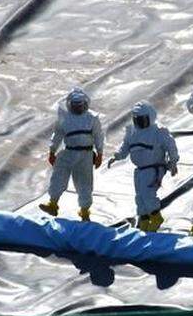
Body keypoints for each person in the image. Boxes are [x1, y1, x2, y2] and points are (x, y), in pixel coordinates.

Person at [107, 102, 179, 232]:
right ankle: (144, 220)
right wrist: (116, 156)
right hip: (140, 170)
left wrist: (173, 162)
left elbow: (171, 146)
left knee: (147, 194)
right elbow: (125, 148)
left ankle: (156, 217)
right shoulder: (132, 132)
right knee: (140, 196)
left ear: (150, 117)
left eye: (142, 119)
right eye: (137, 120)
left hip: (154, 168)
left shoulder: (158, 132)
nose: (140, 122)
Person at [39, 88, 104, 221]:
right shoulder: (65, 118)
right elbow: (57, 135)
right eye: (75, 105)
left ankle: (85, 211)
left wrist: (100, 153)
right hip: (69, 151)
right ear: (70, 104)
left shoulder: (92, 118)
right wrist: (52, 151)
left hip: (85, 154)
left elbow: (98, 136)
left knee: (84, 182)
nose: (78, 108)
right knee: (58, 176)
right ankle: (53, 203)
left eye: (80, 105)